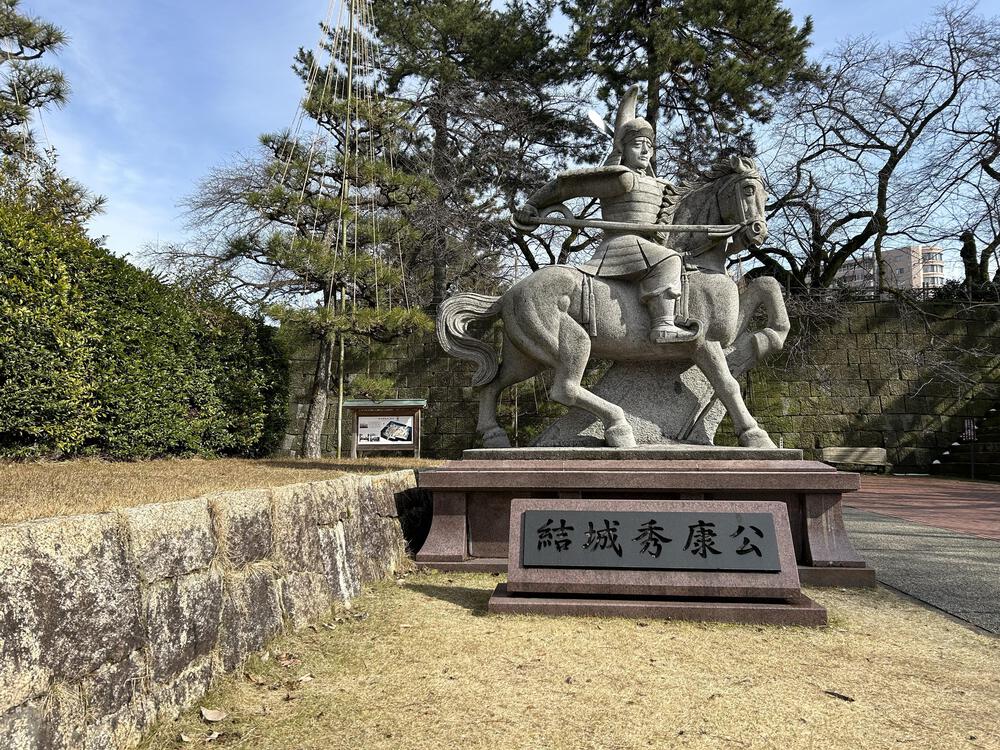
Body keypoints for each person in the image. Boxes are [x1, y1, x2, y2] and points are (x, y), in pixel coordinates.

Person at [513, 90, 695, 343]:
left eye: (649, 146)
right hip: (621, 244)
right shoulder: (622, 178)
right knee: (670, 260)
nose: (645, 151)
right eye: (637, 144)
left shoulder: (662, 185)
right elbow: (566, 186)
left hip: (649, 245)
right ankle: (662, 325)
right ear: (623, 148)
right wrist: (532, 204)